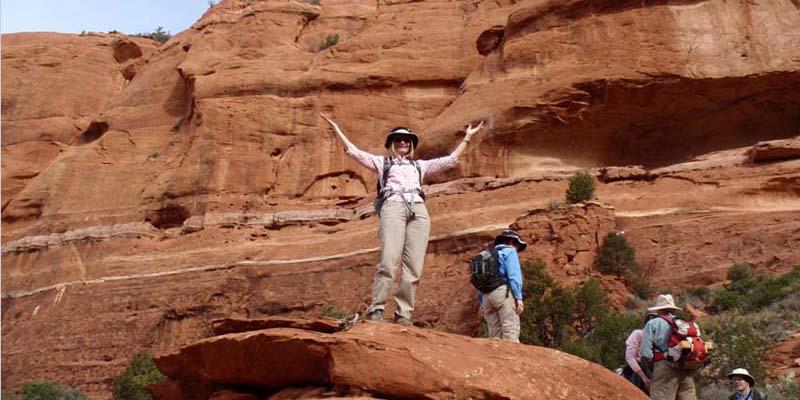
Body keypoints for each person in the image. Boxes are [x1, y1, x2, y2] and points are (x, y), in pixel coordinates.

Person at [321, 113, 484, 325]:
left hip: (418, 209)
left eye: (406, 140)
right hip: (393, 206)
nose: (403, 142)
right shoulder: (382, 163)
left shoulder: (419, 166)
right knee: (388, 261)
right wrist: (336, 128)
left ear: (411, 144)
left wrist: (468, 137)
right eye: (398, 139)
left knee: (414, 266)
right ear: (392, 143)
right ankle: (377, 309)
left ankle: (404, 314)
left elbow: (450, 160)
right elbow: (355, 152)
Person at [639, 294, 700, 400]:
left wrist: (650, 367)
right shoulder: (682, 323)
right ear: (673, 309)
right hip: (685, 366)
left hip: (664, 367)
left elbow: (645, 351)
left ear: (658, 309)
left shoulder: (653, 323)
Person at [480, 230, 526, 342]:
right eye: (517, 245)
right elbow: (514, 276)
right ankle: (511, 353)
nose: (517, 249)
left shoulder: (485, 255)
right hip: (502, 293)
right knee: (510, 329)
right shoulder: (510, 252)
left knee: (494, 334)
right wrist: (518, 298)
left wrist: (481, 301)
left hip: (486, 296)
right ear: (512, 241)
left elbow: (480, 280)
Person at [622, 314, 657, 394]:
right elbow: (630, 357)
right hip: (636, 372)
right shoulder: (638, 334)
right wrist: (644, 378)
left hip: (650, 372)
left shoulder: (657, 339)